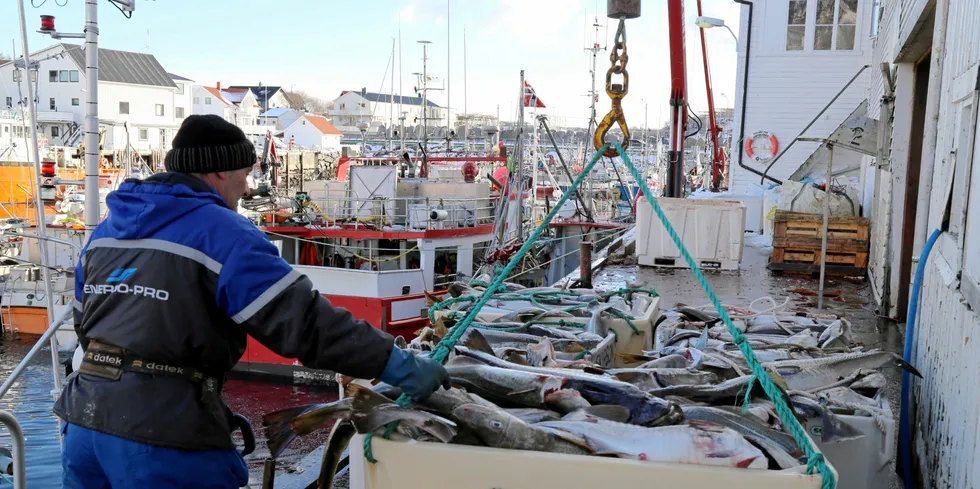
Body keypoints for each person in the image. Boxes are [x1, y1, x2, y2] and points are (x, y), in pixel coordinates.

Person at [55, 114, 450, 488]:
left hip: (84, 426)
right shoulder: (225, 233)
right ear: (221, 171)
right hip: (163, 438)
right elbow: (305, 324)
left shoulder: (106, 232)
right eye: (245, 174)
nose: (247, 188)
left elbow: (84, 325)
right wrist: (397, 364)